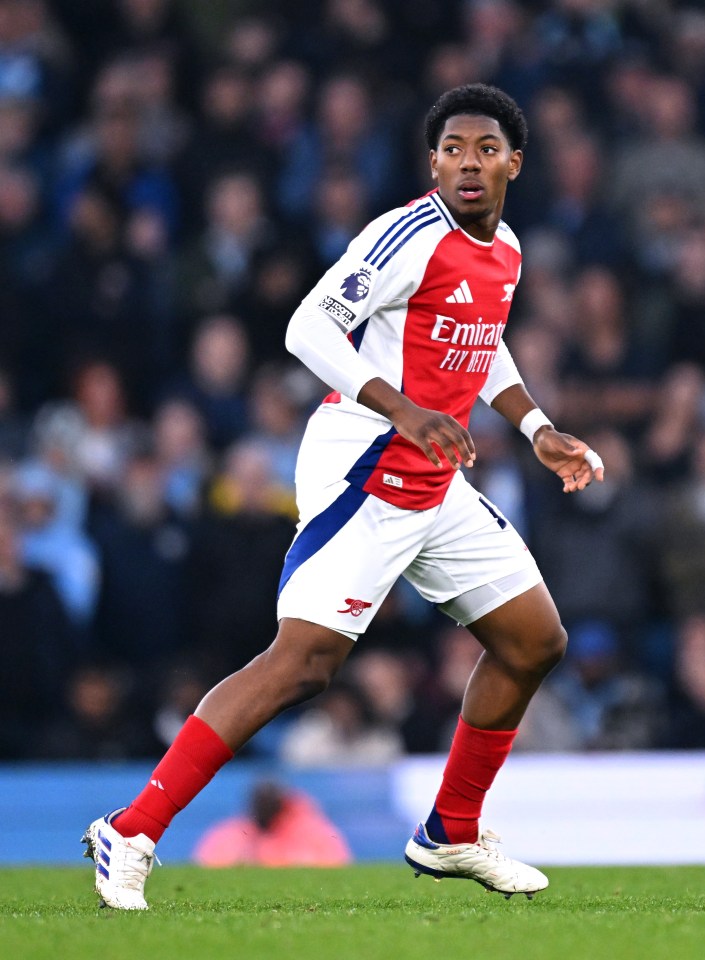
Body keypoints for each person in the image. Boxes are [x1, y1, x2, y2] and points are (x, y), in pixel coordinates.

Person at [82, 82, 604, 910]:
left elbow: (483, 344)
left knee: (534, 640)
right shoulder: (405, 233)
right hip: (368, 462)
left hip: (434, 471)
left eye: (486, 149)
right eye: (453, 149)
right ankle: (132, 828)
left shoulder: (505, 247)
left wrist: (536, 426)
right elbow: (307, 328)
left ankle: (450, 833)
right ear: (433, 161)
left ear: (515, 162)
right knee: (304, 665)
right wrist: (404, 410)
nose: (469, 163)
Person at [192, 779, 352, 867]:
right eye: (260, 803)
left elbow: (337, 863)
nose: (264, 809)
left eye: (268, 803)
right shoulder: (230, 833)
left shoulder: (312, 830)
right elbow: (206, 866)